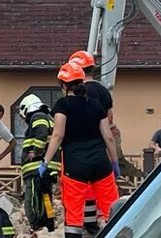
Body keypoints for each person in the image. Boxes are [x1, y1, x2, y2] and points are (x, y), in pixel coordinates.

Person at [40, 62, 120, 238]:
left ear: (63, 85)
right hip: (101, 163)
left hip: (75, 165)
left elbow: (58, 135)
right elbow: (108, 136)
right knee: (113, 209)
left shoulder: (63, 105)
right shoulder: (95, 105)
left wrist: (45, 161)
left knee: (74, 215)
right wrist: (114, 162)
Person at [68, 49, 114, 234]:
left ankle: (87, 227)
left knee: (81, 192)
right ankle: (107, 225)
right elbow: (109, 118)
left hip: (77, 148)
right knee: (103, 190)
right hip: (100, 145)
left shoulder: (77, 91)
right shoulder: (103, 91)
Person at [17, 94, 59, 232]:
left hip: (36, 167)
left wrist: (36, 151)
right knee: (46, 197)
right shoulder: (50, 118)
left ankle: (36, 225)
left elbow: (41, 132)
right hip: (48, 166)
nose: (24, 119)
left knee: (33, 198)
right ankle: (49, 223)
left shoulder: (38, 117)